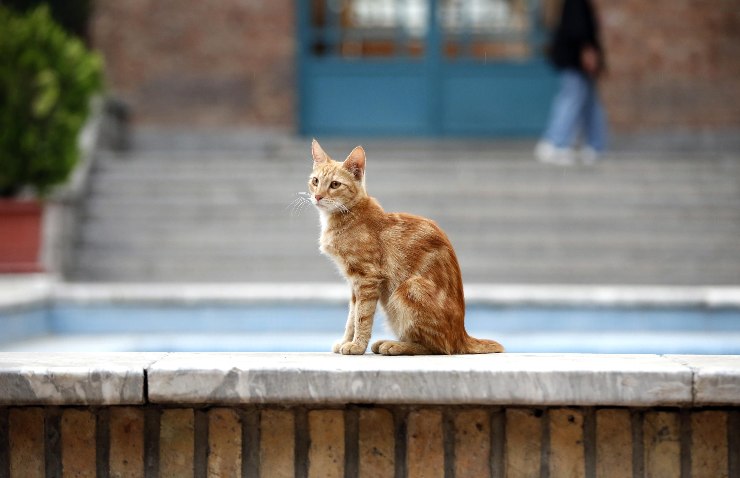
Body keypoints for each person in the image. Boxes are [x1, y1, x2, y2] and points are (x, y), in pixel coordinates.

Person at [536, 0, 607, 165]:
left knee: (589, 102)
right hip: (574, 60)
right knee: (571, 99)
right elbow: (577, 28)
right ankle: (555, 142)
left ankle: (595, 144)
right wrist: (587, 51)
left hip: (575, 60)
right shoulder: (576, 2)